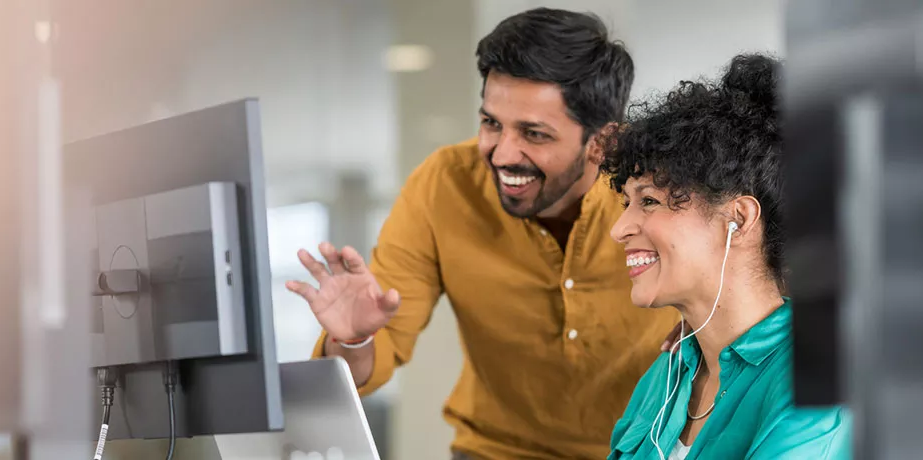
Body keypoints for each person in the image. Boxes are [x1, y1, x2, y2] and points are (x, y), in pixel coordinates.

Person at [284, 7, 681, 459]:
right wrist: (354, 338)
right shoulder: (444, 185)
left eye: (534, 133)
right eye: (492, 123)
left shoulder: (666, 190)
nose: (502, 153)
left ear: (603, 143)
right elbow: (378, 354)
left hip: (647, 450)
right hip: (494, 451)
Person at [603, 54, 853, 460]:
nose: (619, 230)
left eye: (648, 201)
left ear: (738, 218)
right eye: (626, 203)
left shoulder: (815, 380)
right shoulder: (666, 375)